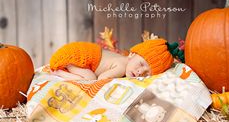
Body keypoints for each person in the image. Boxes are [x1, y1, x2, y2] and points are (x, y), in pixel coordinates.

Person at [50, 38, 184, 80]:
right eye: (141, 64)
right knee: (90, 78)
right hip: (74, 57)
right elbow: (102, 79)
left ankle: (65, 69)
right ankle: (60, 72)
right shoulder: (121, 66)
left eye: (146, 73)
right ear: (132, 54)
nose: (139, 72)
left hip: (75, 53)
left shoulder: (125, 59)